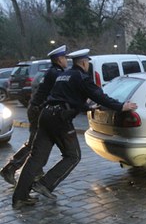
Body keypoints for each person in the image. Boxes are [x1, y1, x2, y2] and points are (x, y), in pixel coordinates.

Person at [12, 49, 137, 208]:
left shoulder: (64, 76)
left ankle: (19, 198)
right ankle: (45, 184)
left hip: (46, 115)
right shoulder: (82, 78)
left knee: (36, 158)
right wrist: (121, 106)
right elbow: (100, 96)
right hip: (60, 119)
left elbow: (66, 97)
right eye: (87, 64)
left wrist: (87, 107)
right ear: (84, 63)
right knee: (73, 155)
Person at [0, 45, 68, 186]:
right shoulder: (56, 73)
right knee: (35, 143)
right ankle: (10, 169)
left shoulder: (52, 71)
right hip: (39, 110)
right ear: (59, 59)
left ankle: (36, 171)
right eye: (65, 58)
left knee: (40, 142)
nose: (66, 60)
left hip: (37, 108)